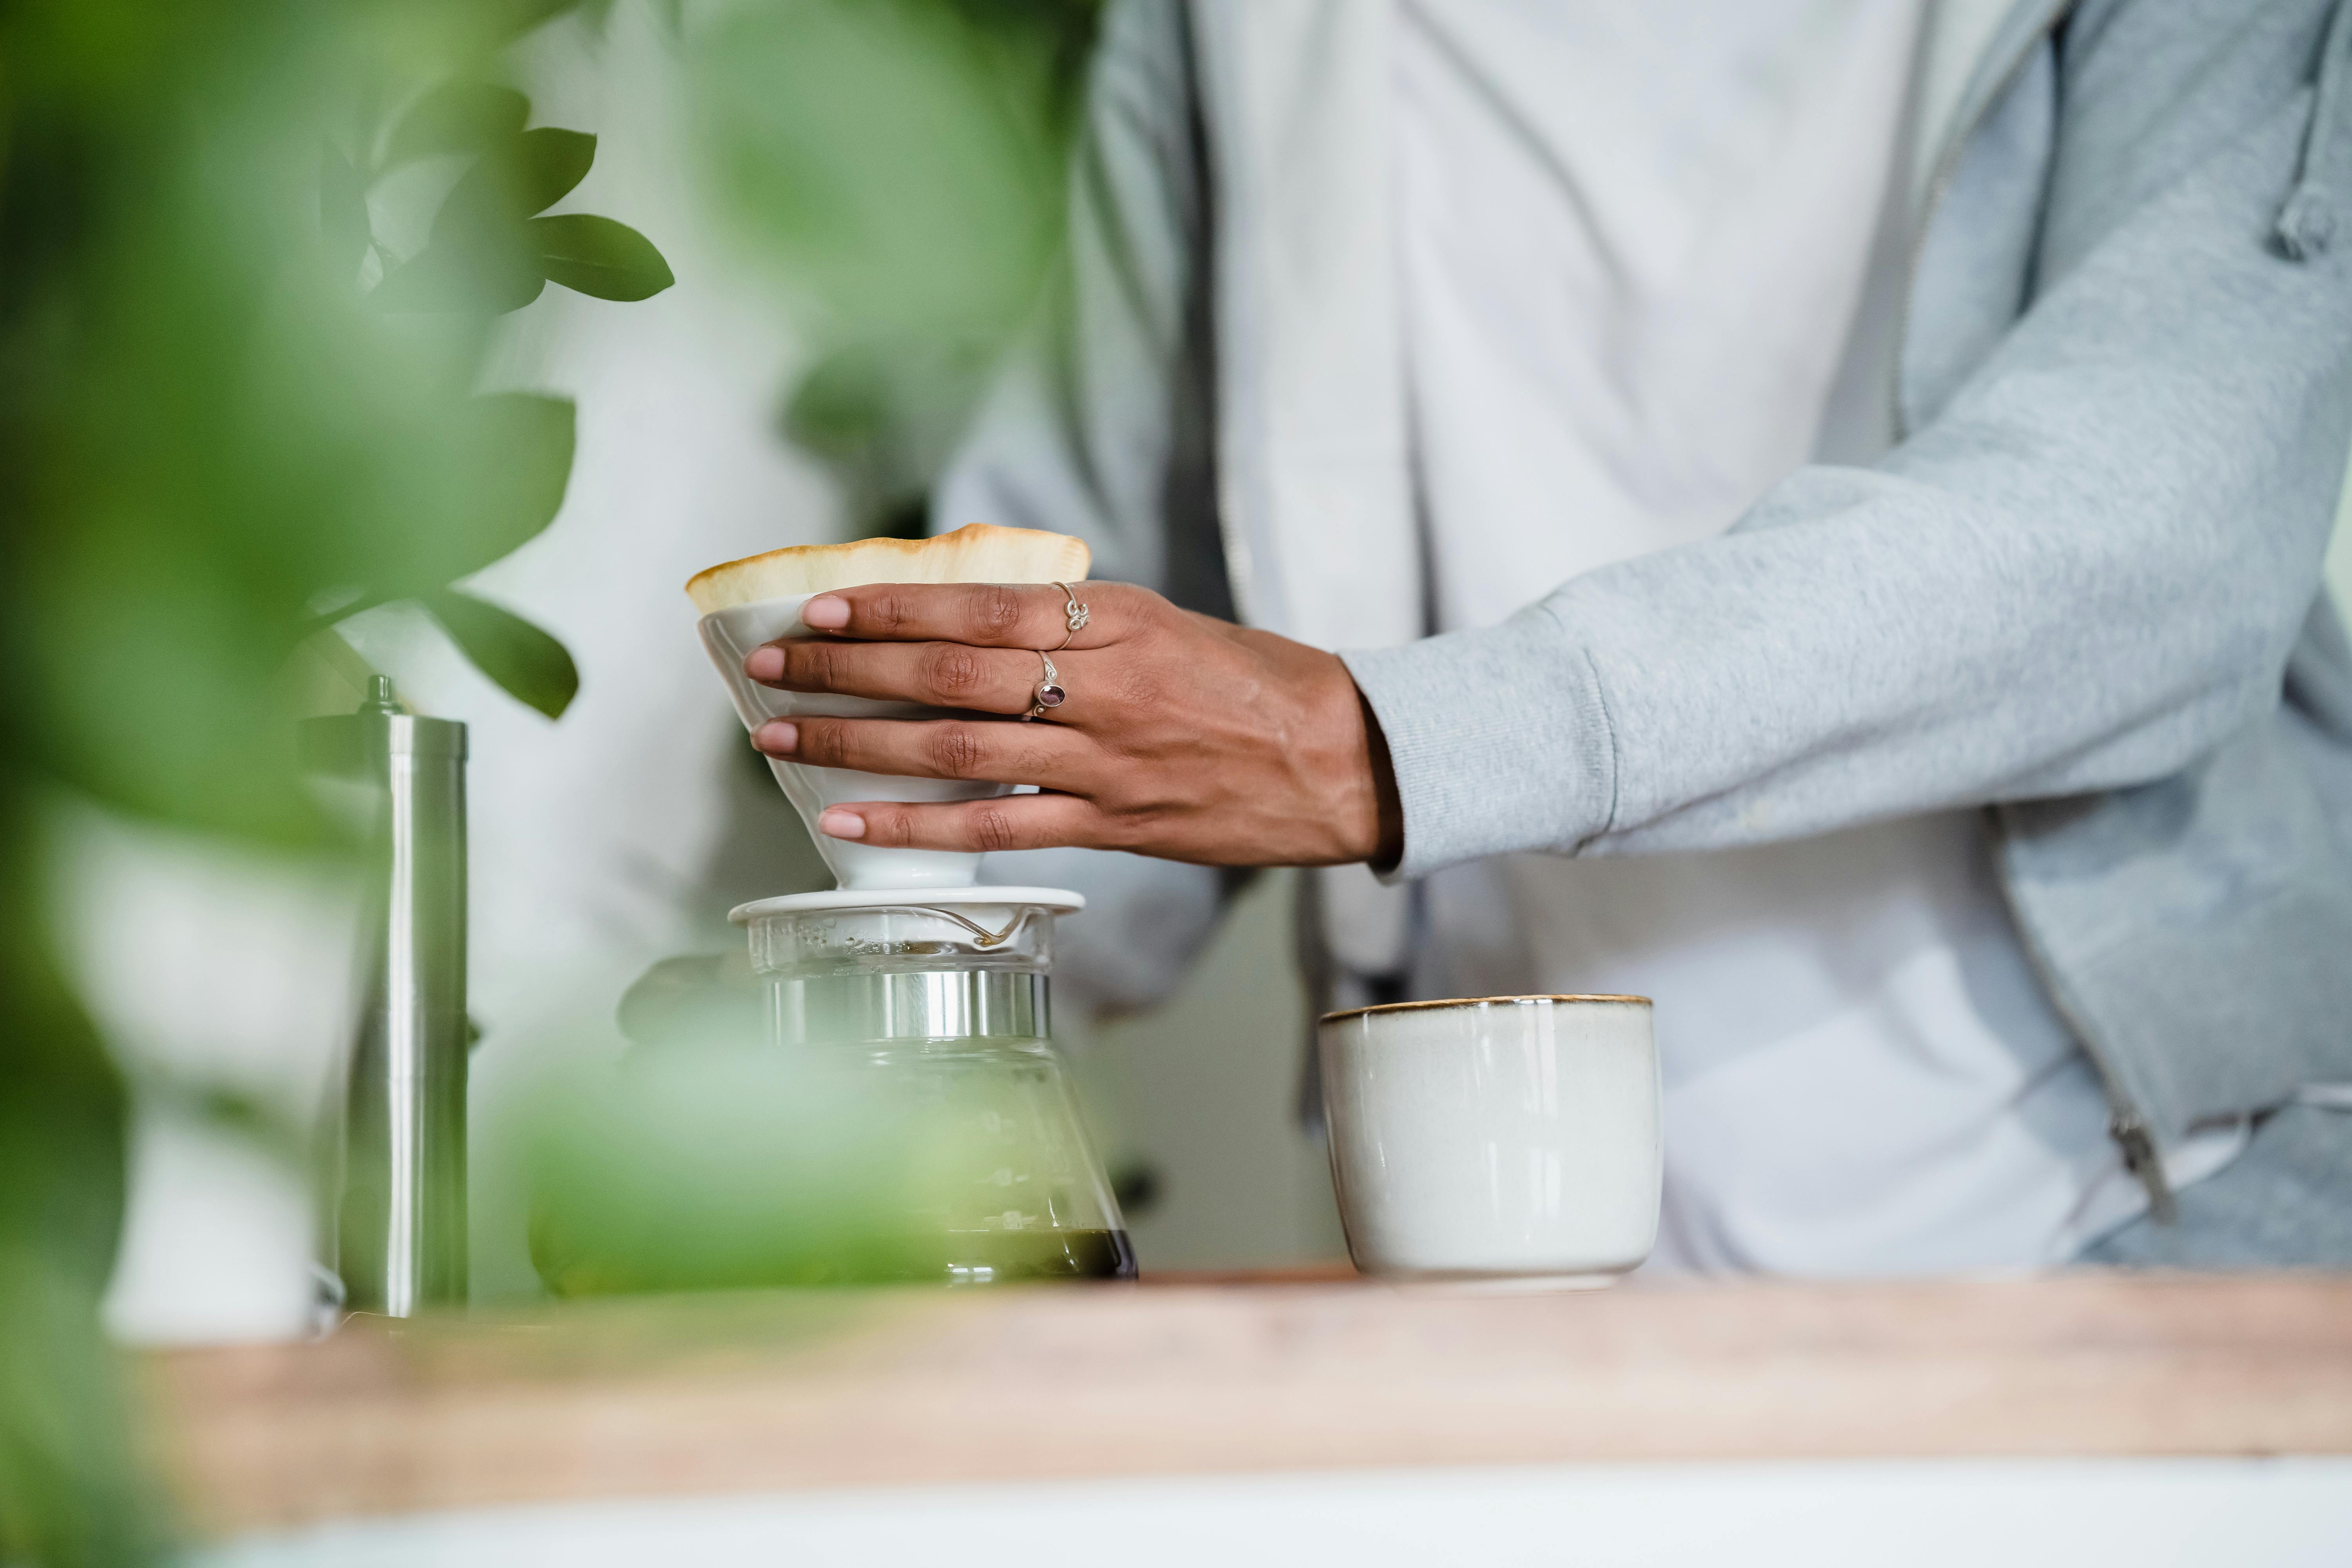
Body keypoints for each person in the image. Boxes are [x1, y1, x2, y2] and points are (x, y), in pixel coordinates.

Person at [736, 0, 2352, 1271]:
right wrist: (753, 1086)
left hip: (2172, 1216)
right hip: (1509, 1263)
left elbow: (2153, 534)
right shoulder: (1223, 26)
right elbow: (1070, 679)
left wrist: (1373, 745)